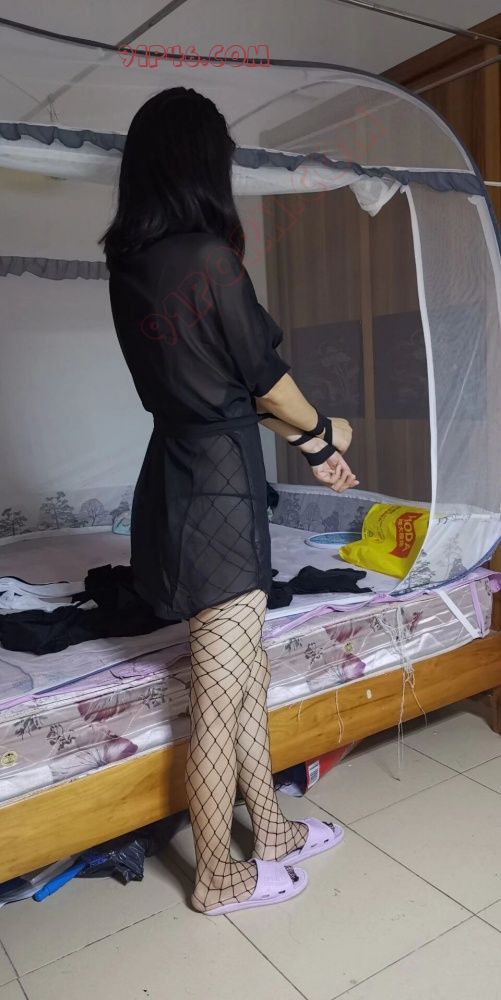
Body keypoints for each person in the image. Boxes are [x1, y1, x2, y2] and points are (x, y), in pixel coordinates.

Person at [101, 87, 358, 916]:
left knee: (246, 671)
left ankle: (270, 828)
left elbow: (214, 390)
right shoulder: (209, 257)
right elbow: (267, 386)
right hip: (217, 494)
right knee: (221, 691)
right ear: (201, 162)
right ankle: (216, 873)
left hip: (178, 479)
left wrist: (312, 442)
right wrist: (323, 433)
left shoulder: (129, 267)